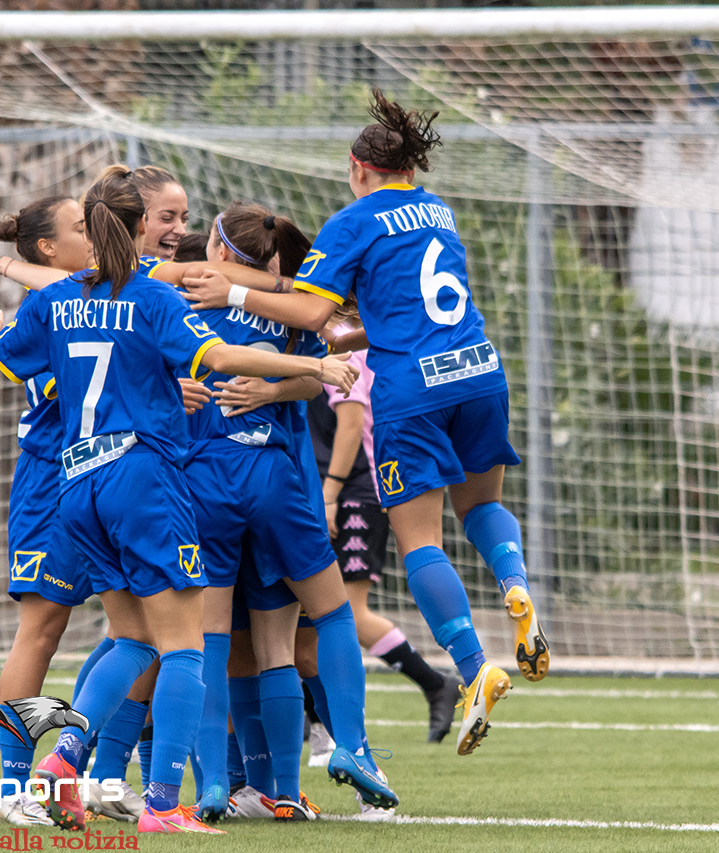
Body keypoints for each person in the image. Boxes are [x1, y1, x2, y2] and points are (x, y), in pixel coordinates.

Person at [0, 165, 358, 834]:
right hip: (141, 482)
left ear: (90, 232)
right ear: (137, 227)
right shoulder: (152, 300)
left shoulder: (54, 298)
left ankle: (65, 759)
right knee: (182, 647)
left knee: (130, 637)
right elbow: (225, 358)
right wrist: (313, 366)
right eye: (165, 218)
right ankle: (162, 805)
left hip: (74, 483)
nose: (176, 229)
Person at [181, 89, 550, 755]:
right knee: (484, 504)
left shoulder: (354, 221)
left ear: (357, 169)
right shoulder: (439, 210)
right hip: (479, 370)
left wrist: (231, 290)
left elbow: (312, 315)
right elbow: (372, 310)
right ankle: (516, 586)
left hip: (412, 390)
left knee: (421, 541)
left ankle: (473, 668)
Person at [171, 205, 399, 819]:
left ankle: (216, 784)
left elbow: (112, 287)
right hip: (276, 478)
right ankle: (345, 749)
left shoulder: (178, 293)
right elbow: (328, 358)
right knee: (325, 620)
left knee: (209, 643)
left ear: (217, 250)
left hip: (204, 480)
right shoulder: (293, 306)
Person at [0, 196, 99, 829]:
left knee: (141, 629)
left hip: (105, 477)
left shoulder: (88, 292)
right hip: (51, 484)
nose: (94, 236)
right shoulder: (53, 304)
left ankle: (89, 772)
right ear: (49, 250)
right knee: (43, 630)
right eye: (81, 229)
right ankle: (12, 787)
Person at [307, 316, 460, 746]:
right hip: (331, 487)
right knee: (309, 611)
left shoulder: (349, 348)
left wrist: (330, 493)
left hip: (355, 490)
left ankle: (434, 683)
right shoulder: (323, 342)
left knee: (347, 613)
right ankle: (313, 722)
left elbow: (352, 424)